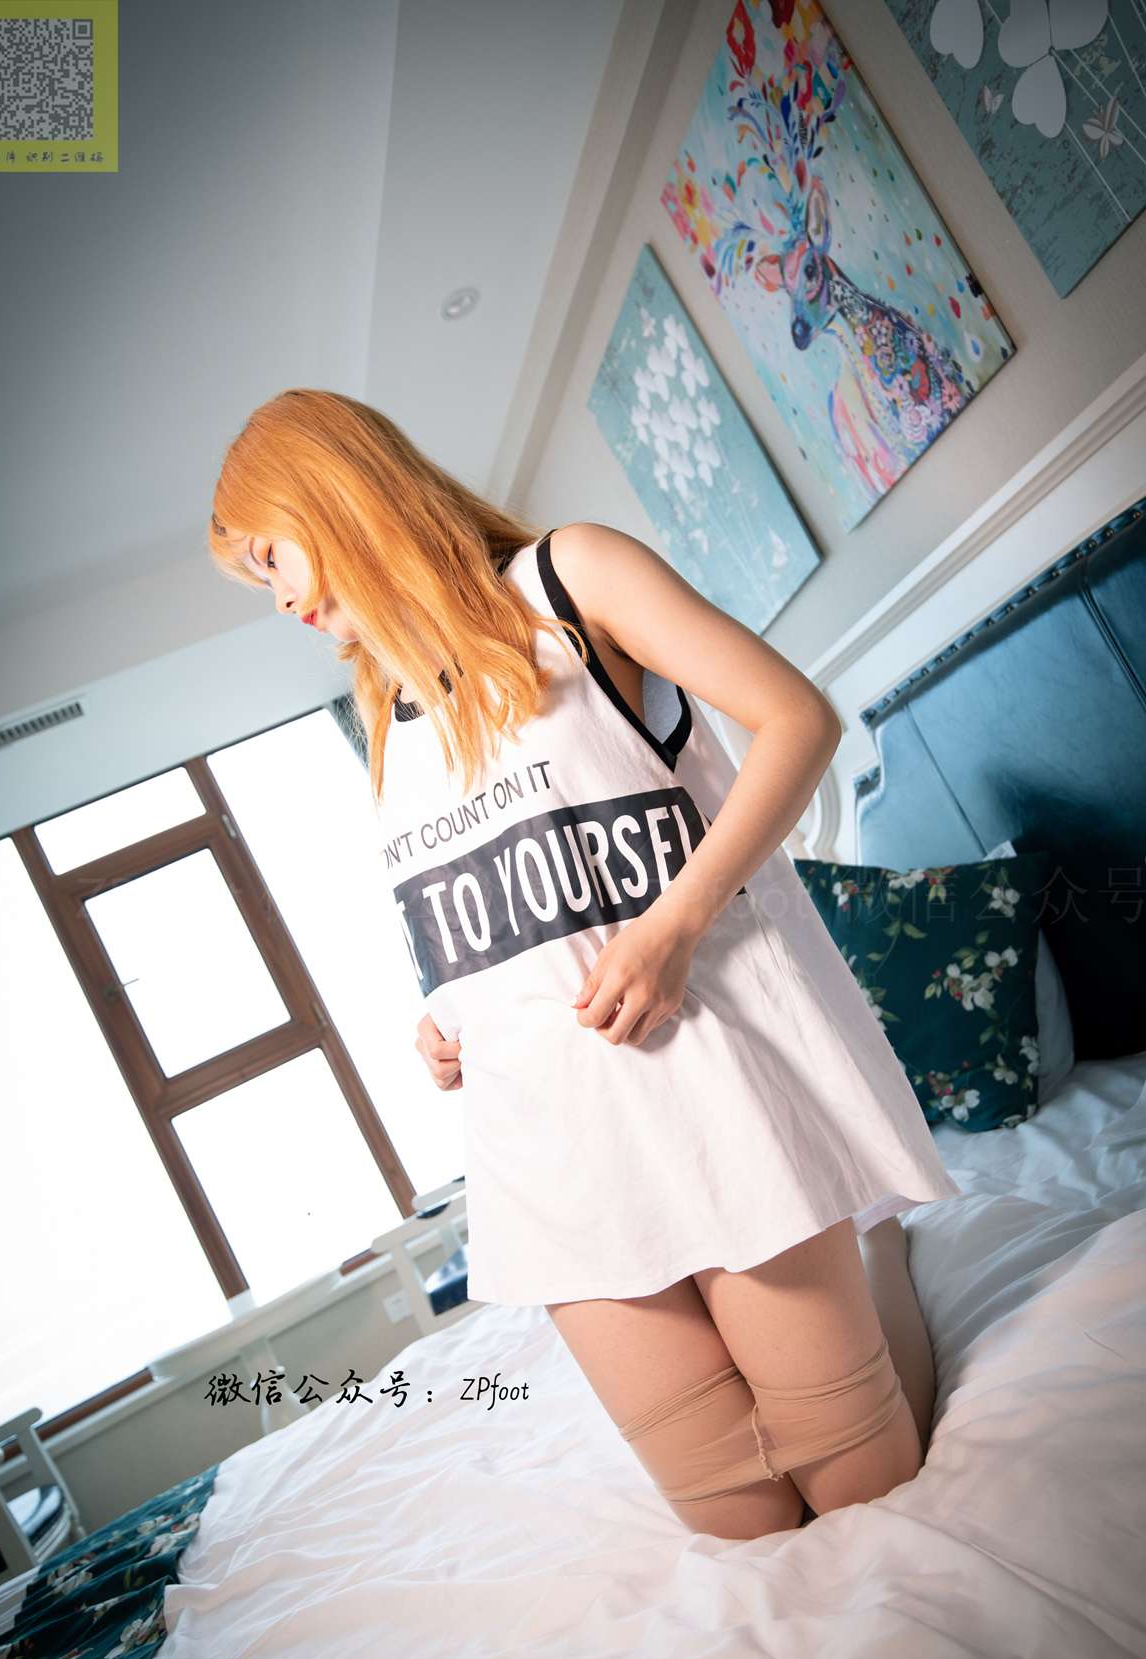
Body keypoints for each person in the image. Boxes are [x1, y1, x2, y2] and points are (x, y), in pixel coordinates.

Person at [209, 387, 963, 1543]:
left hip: (714, 1105)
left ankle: (880, 1263)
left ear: (334, 494)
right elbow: (501, 913)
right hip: (551, 1162)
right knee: (746, 1528)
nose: (279, 599)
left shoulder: (569, 580)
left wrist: (675, 925)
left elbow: (799, 721)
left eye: (271, 557)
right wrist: (444, 1019)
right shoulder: (386, 716)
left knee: (864, 1493)